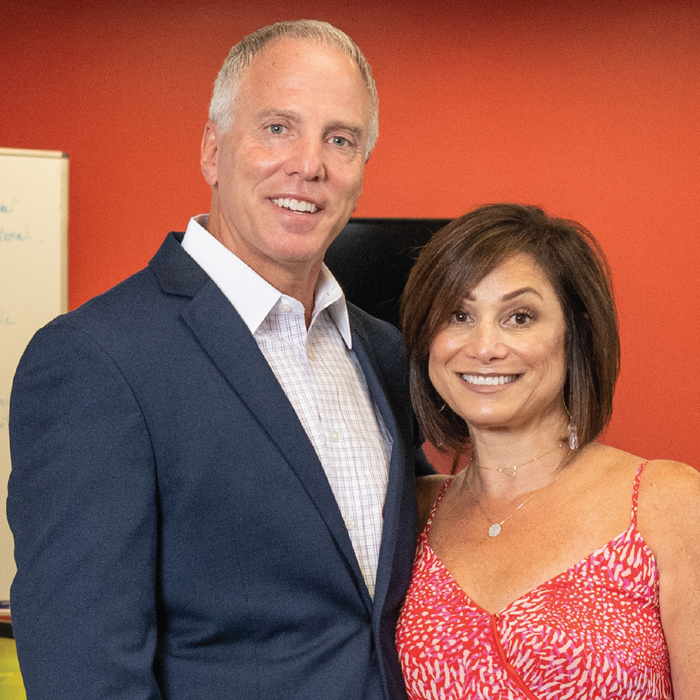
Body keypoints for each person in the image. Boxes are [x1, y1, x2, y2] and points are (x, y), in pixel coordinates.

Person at [8, 20, 429, 700]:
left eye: (341, 139)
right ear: (212, 148)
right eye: (278, 128)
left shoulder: (383, 351)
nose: (310, 164)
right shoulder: (97, 359)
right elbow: (84, 671)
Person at [396, 203, 700, 699]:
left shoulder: (667, 502)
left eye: (519, 317)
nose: (485, 347)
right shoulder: (414, 511)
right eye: (458, 315)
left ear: (576, 332)